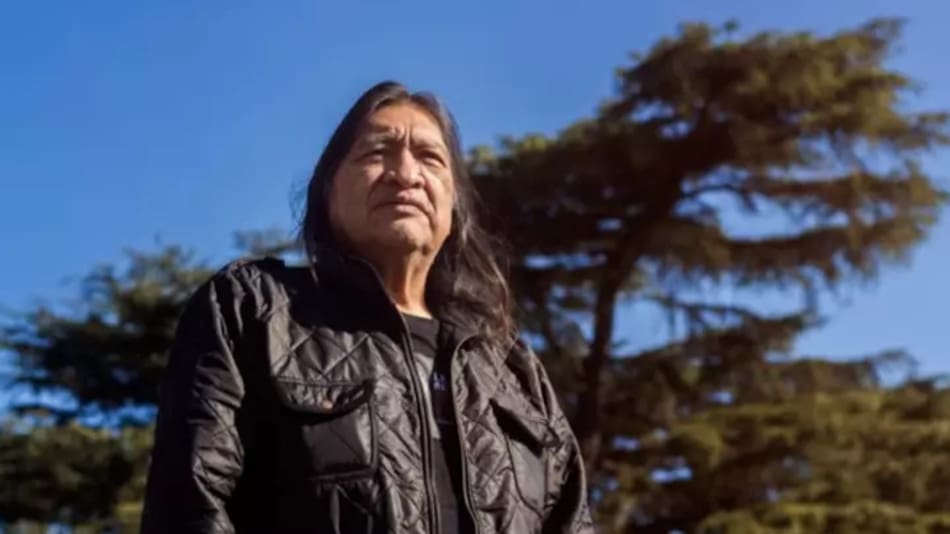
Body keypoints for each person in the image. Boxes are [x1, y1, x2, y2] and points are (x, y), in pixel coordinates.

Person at [140, 81, 594, 534]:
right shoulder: (254, 309)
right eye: (377, 152)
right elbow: (190, 505)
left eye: (430, 158)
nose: (406, 174)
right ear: (327, 191)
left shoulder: (513, 369)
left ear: (454, 204)